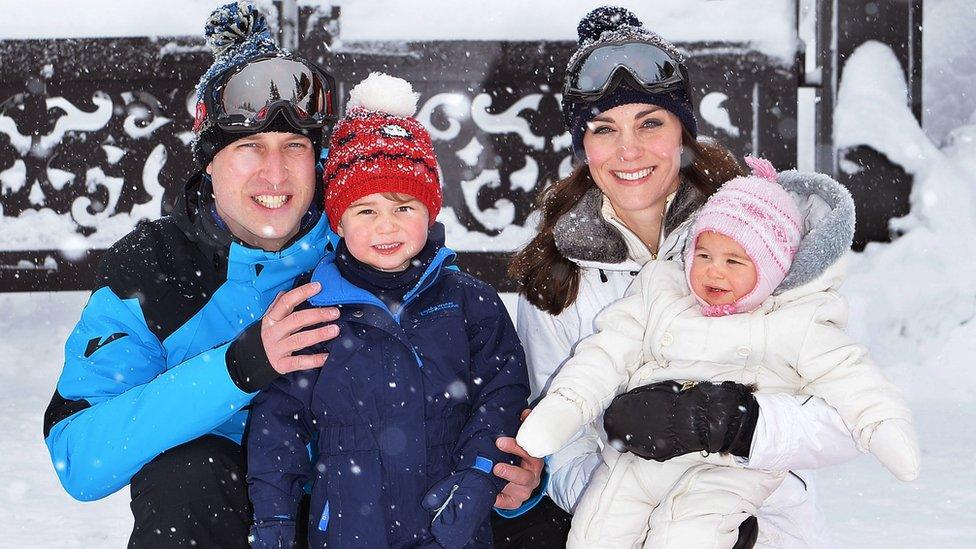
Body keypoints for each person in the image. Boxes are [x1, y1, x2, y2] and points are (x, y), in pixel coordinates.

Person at [42, 3, 542, 547]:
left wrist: (519, 476)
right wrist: (235, 370)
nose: (274, 173)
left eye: (295, 147)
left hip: (374, 508)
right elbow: (80, 459)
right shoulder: (156, 268)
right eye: (249, 147)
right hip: (242, 519)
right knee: (186, 477)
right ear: (208, 161)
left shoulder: (369, 236)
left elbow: (472, 375)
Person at [508, 6, 863, 547]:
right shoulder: (558, 275)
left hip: (763, 526)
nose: (628, 150)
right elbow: (566, 448)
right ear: (584, 145)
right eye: (604, 129)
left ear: (682, 131)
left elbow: (844, 418)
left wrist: (734, 423)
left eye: (650, 123)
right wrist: (639, 507)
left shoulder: (754, 237)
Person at [517, 156, 921, 547]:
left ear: (772, 268)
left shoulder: (796, 319)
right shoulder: (664, 293)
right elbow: (605, 351)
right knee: (596, 530)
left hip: (731, 472)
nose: (714, 271)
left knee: (686, 536)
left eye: (734, 261)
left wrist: (882, 422)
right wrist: (568, 404)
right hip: (643, 454)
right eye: (704, 256)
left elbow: (850, 375)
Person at [246, 73, 531, 548]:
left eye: (404, 207)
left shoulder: (468, 302)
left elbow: (502, 395)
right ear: (338, 219)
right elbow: (279, 424)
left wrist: (479, 473)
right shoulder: (312, 307)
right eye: (365, 210)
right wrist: (274, 519)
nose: (386, 226)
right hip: (349, 530)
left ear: (430, 211)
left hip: (450, 524)